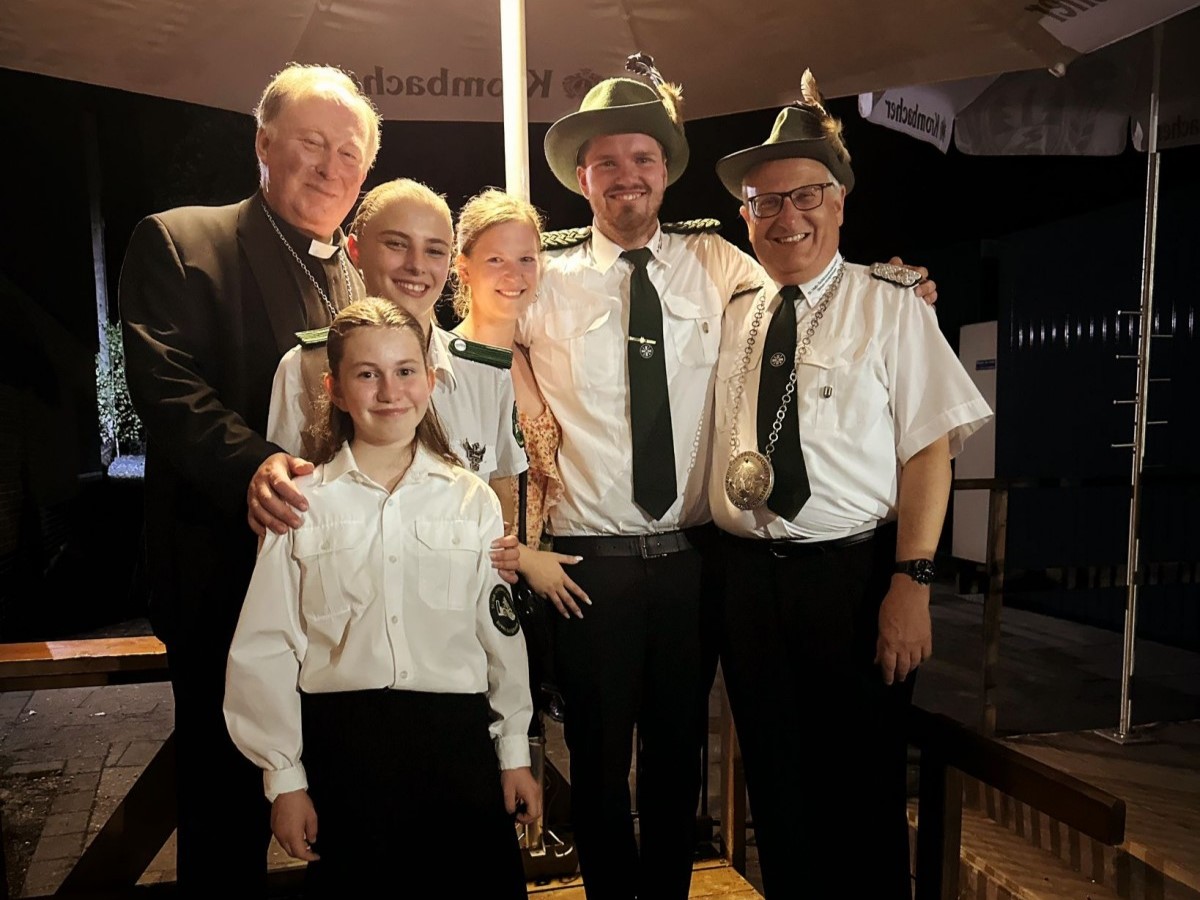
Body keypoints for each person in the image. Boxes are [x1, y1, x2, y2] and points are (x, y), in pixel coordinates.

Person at [521, 63, 940, 900]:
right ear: (581, 176)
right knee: (599, 764)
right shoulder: (541, 279)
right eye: (608, 162)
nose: (627, 176)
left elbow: (815, 286)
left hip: (694, 561)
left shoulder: (717, 263)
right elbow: (484, 347)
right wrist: (521, 389)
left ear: (665, 170)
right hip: (587, 564)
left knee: (683, 759)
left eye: (644, 158)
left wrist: (903, 285)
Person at [708, 71, 994, 898]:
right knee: (776, 792)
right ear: (745, 216)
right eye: (765, 203)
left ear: (840, 204)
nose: (785, 217)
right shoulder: (733, 308)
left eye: (805, 197)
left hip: (853, 577)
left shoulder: (895, 304)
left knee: (865, 796)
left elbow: (930, 451)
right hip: (749, 584)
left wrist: (913, 580)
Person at [118, 63, 379, 895]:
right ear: (264, 145)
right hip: (222, 574)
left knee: (344, 801)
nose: (331, 165)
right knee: (225, 809)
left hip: (342, 591)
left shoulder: (359, 273)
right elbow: (168, 388)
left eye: (349, 152)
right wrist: (253, 463)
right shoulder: (180, 239)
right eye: (311, 143)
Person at [224, 298, 539, 898]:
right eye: (367, 374)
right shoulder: (302, 504)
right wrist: (284, 778)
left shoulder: (470, 500)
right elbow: (266, 647)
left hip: (457, 752)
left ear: (429, 379)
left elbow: (498, 638)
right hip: (348, 756)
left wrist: (514, 752)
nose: (390, 390)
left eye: (405, 370)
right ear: (336, 390)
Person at [265, 178, 528, 516]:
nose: (416, 265)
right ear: (354, 251)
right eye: (397, 244)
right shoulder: (306, 367)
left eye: (434, 250)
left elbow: (501, 516)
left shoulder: (486, 376)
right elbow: (284, 500)